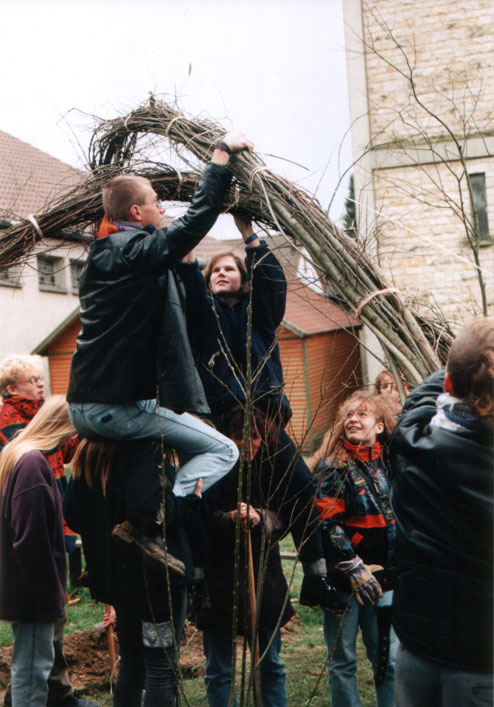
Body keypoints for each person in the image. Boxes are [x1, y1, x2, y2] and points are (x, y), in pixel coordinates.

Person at [66, 135, 256, 500]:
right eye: (156, 202)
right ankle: (165, 510)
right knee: (223, 450)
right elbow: (196, 220)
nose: (162, 209)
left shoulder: (104, 255)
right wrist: (219, 158)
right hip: (115, 409)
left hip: (84, 404)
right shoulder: (133, 253)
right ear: (136, 213)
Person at [178, 214, 344, 613]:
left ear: (245, 279)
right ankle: (198, 583)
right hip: (218, 423)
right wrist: (188, 254)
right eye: (215, 270)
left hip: (262, 420)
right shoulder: (204, 318)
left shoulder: (261, 318)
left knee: (301, 482)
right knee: (198, 494)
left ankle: (316, 574)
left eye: (230, 268)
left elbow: (272, 285)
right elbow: (189, 288)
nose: (221, 273)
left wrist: (250, 237)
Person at [389, 319, 494, 707]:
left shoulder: (412, 442)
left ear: (448, 381)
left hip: (416, 649)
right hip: (480, 663)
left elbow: (417, 403)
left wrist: (457, 365)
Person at [64, 437, 202, 706]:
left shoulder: (91, 449)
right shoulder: (147, 447)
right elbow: (149, 511)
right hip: (156, 581)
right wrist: (190, 504)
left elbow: (72, 513)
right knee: (160, 668)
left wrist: (104, 524)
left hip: (117, 580)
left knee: (131, 666)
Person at [0, 356, 94, 707]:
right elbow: (31, 544)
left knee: (31, 667)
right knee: (31, 675)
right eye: (71, 433)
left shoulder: (24, 455)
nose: (72, 440)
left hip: (27, 592)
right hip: (33, 598)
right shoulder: (32, 464)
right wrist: (46, 601)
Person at [193, 405, 296, 707]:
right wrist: (230, 518)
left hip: (264, 580)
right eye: (240, 436)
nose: (248, 444)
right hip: (220, 580)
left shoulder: (271, 470)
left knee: (270, 665)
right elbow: (200, 517)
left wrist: (261, 517)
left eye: (255, 437)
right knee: (219, 671)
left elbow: (285, 515)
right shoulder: (212, 470)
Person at [313, 390, 398, 707]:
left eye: (362, 414)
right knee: (343, 662)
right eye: (349, 414)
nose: (353, 419)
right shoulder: (332, 467)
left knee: (387, 659)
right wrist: (353, 566)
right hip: (344, 582)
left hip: (385, 579)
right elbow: (326, 523)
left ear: (379, 426)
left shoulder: (388, 464)